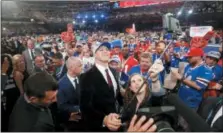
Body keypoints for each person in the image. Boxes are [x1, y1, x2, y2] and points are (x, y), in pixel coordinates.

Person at [80, 42, 123, 131]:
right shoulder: (86, 77)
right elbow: (85, 107)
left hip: (117, 122)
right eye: (101, 50)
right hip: (99, 128)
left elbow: (116, 97)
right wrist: (104, 120)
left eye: (107, 50)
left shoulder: (114, 72)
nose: (105, 52)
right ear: (94, 54)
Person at [172, 48, 213, 131]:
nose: (188, 58)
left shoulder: (206, 70)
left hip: (191, 103)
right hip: (181, 99)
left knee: (186, 125)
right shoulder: (189, 66)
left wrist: (181, 78)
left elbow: (198, 86)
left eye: (190, 57)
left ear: (198, 57)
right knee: (179, 122)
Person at [57, 57, 83, 131]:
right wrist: (79, 108)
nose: (82, 67)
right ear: (72, 67)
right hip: (72, 124)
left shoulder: (82, 78)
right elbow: (62, 106)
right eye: (80, 65)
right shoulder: (60, 84)